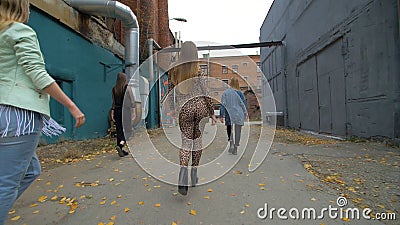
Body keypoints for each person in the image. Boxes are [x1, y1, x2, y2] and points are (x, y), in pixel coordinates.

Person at [0, 0, 85, 223]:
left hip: (3, 112)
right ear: (21, 6)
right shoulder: (19, 31)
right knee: (6, 183)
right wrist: (72, 107)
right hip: (19, 116)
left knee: (31, 170)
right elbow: (37, 74)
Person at [164, 41, 217, 195]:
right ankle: (194, 174)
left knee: (186, 143)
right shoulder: (198, 70)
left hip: (184, 109)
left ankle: (182, 175)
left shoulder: (173, 70)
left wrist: (173, 110)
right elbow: (205, 92)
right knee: (198, 143)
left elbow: (170, 93)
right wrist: (212, 112)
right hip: (200, 108)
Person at [220, 77, 247, 155]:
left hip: (229, 114)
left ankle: (231, 143)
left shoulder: (225, 93)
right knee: (238, 131)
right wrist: (245, 114)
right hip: (239, 114)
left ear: (230, 83)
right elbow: (243, 104)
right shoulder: (240, 93)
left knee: (229, 129)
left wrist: (221, 115)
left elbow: (223, 105)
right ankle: (235, 147)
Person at [111, 72, 135, 157]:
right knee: (128, 131)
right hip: (126, 111)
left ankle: (120, 149)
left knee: (119, 130)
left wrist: (112, 112)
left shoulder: (114, 89)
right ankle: (121, 145)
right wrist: (133, 111)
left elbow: (113, 102)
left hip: (117, 111)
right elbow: (132, 100)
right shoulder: (127, 87)